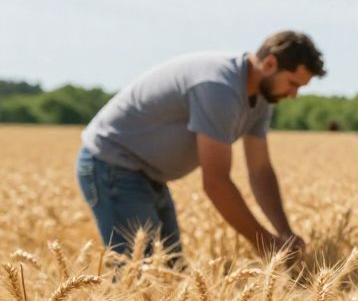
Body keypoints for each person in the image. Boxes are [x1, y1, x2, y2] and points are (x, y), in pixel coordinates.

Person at [77, 31, 325, 261]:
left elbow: (260, 171)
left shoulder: (261, 100)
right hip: (112, 165)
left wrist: (284, 232)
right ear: (270, 64)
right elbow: (216, 182)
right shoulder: (220, 88)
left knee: (168, 270)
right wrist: (264, 243)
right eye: (293, 83)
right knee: (141, 274)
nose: (293, 94)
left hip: (147, 175)